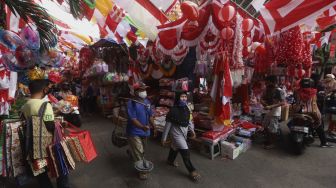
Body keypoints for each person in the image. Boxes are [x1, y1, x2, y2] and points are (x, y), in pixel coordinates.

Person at [21, 79, 70, 188]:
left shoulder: (25, 105)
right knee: (60, 165)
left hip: (34, 144)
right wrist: (60, 124)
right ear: (44, 90)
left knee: (41, 170)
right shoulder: (45, 104)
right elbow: (50, 126)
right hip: (49, 144)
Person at [161, 91, 201, 182]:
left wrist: (192, 131)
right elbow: (167, 126)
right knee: (185, 151)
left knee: (175, 147)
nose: (184, 98)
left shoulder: (186, 108)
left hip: (184, 133)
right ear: (178, 98)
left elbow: (189, 121)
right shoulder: (173, 110)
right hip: (176, 134)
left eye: (185, 97)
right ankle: (192, 170)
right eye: (182, 97)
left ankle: (170, 161)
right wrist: (163, 138)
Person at [126, 83, 155, 180]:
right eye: (142, 90)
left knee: (143, 150)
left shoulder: (147, 101)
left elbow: (150, 115)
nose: (144, 92)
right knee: (139, 151)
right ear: (136, 92)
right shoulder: (131, 103)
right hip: (134, 131)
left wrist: (154, 125)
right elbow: (133, 119)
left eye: (145, 90)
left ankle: (131, 151)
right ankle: (142, 171)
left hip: (145, 131)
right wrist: (142, 127)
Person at [293, 78, 333, 148]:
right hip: (312, 112)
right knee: (319, 123)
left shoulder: (296, 91)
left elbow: (295, 99)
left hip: (298, 110)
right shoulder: (314, 92)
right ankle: (324, 142)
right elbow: (319, 100)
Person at [261, 75, 286, 149]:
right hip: (268, 111)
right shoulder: (267, 89)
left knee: (273, 129)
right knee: (265, 125)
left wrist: (270, 106)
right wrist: (262, 101)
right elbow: (263, 98)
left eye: (267, 82)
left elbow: (282, 103)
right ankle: (268, 140)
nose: (266, 83)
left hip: (275, 112)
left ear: (272, 82)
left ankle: (272, 143)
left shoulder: (279, 90)